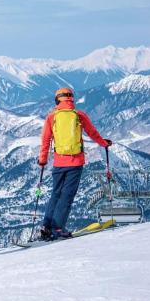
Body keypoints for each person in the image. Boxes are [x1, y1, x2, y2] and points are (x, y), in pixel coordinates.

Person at [38, 87, 112, 240]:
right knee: (67, 196)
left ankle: (46, 226)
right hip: (75, 162)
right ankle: (58, 228)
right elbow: (92, 133)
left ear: (57, 100)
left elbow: (45, 141)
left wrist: (43, 160)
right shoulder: (79, 115)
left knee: (56, 193)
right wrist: (103, 143)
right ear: (71, 99)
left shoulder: (52, 117)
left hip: (58, 162)